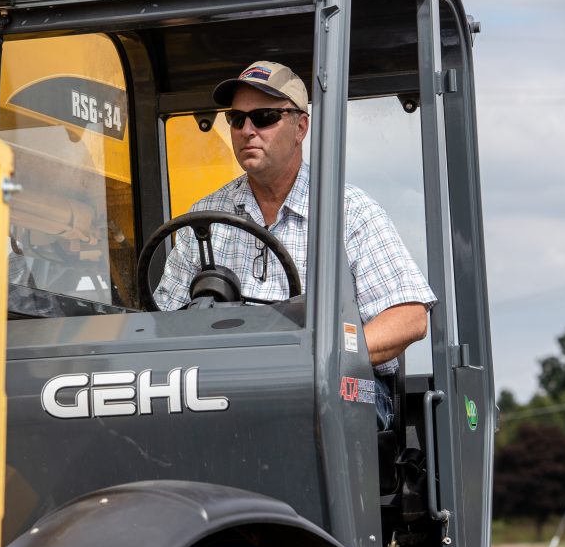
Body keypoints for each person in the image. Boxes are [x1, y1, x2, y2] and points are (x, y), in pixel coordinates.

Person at [153, 61, 436, 430]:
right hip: (226, 392)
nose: (247, 131)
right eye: (236, 120)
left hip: (335, 391)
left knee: (288, 421)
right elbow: (160, 319)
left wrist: (323, 357)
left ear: (300, 127)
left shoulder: (348, 211)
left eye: (264, 117)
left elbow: (409, 317)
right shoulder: (205, 216)